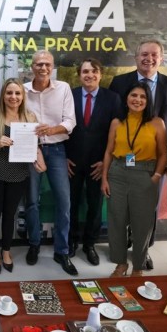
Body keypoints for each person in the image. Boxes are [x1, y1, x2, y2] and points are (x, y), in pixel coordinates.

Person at [108, 39, 167, 270]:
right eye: (144, 54)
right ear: (136, 57)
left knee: (146, 214)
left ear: (161, 58)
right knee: (119, 214)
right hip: (122, 163)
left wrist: (164, 169)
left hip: (153, 164)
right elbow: (114, 122)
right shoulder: (119, 82)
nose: (148, 59)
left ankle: (143, 253)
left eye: (154, 55)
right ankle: (122, 256)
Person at [101, 82, 167, 277]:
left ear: (148, 101)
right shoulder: (117, 122)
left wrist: (156, 176)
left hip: (145, 174)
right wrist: (104, 178)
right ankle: (120, 264)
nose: (137, 100)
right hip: (117, 173)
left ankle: (138, 267)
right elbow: (108, 152)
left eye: (142, 97)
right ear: (127, 98)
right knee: (116, 221)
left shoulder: (157, 123)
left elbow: (163, 153)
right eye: (134, 95)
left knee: (142, 224)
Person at [0, 79, 46, 274]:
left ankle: (6, 251)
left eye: (17, 93)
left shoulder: (30, 117)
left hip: (18, 174)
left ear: (22, 96)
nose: (13, 97)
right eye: (9, 93)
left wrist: (38, 158)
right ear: (3, 95)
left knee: (10, 215)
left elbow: (35, 145)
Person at [23, 50, 77, 276]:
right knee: (32, 202)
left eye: (47, 64)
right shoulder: (23, 90)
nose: (43, 68)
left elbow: (70, 121)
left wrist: (51, 129)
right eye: (38, 64)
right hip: (30, 150)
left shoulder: (63, 88)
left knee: (63, 202)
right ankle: (34, 244)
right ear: (32, 67)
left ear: (52, 67)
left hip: (56, 149)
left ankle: (61, 250)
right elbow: (12, 113)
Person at [65, 59, 120, 266]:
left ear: (101, 74)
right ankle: (70, 241)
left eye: (94, 71)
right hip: (71, 162)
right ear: (80, 74)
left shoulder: (113, 99)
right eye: (85, 71)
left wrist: (106, 163)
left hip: (98, 164)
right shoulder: (69, 95)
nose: (89, 75)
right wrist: (63, 157)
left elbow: (116, 135)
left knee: (95, 206)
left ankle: (90, 245)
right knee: (69, 204)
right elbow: (60, 125)